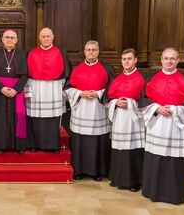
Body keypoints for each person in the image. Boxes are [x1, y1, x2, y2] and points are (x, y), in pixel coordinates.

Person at [139, 47, 184, 204]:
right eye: (166, 58)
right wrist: (156, 108)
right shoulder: (151, 79)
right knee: (155, 157)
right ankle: (152, 191)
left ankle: (173, 195)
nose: (169, 61)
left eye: (172, 58)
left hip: (176, 126)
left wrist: (175, 109)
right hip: (157, 125)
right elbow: (144, 101)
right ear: (161, 60)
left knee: (174, 161)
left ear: (177, 61)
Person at [65, 40, 115, 181]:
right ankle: (79, 171)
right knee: (80, 141)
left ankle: (97, 172)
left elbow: (113, 88)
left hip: (98, 110)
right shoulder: (76, 68)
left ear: (98, 52)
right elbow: (67, 88)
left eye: (94, 49)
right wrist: (79, 94)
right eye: (88, 50)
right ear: (85, 52)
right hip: (81, 110)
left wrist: (98, 94)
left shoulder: (106, 68)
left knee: (97, 141)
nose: (91, 52)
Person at [101, 48, 145, 192]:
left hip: (134, 120)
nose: (126, 61)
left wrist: (131, 103)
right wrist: (116, 102)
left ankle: (134, 181)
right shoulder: (117, 79)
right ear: (121, 61)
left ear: (135, 60)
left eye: (129, 58)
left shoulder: (141, 79)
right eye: (124, 59)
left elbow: (147, 101)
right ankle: (117, 178)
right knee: (118, 148)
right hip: (120, 118)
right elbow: (108, 99)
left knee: (133, 149)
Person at [25, 28, 70, 152]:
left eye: (48, 36)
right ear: (39, 38)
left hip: (53, 91)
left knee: (52, 118)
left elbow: (65, 75)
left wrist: (62, 92)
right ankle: (34, 144)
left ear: (52, 37)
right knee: (35, 117)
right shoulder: (32, 53)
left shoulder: (60, 53)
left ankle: (52, 145)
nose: (45, 39)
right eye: (43, 36)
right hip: (36, 90)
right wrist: (28, 92)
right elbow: (27, 76)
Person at [0, 29, 28, 153]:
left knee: (18, 118)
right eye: (7, 37)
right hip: (1, 91)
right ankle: (1, 145)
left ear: (16, 40)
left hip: (16, 92)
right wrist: (1, 88)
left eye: (12, 38)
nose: (9, 40)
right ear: (2, 40)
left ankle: (18, 146)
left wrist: (16, 90)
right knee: (0, 118)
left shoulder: (22, 54)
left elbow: (25, 75)